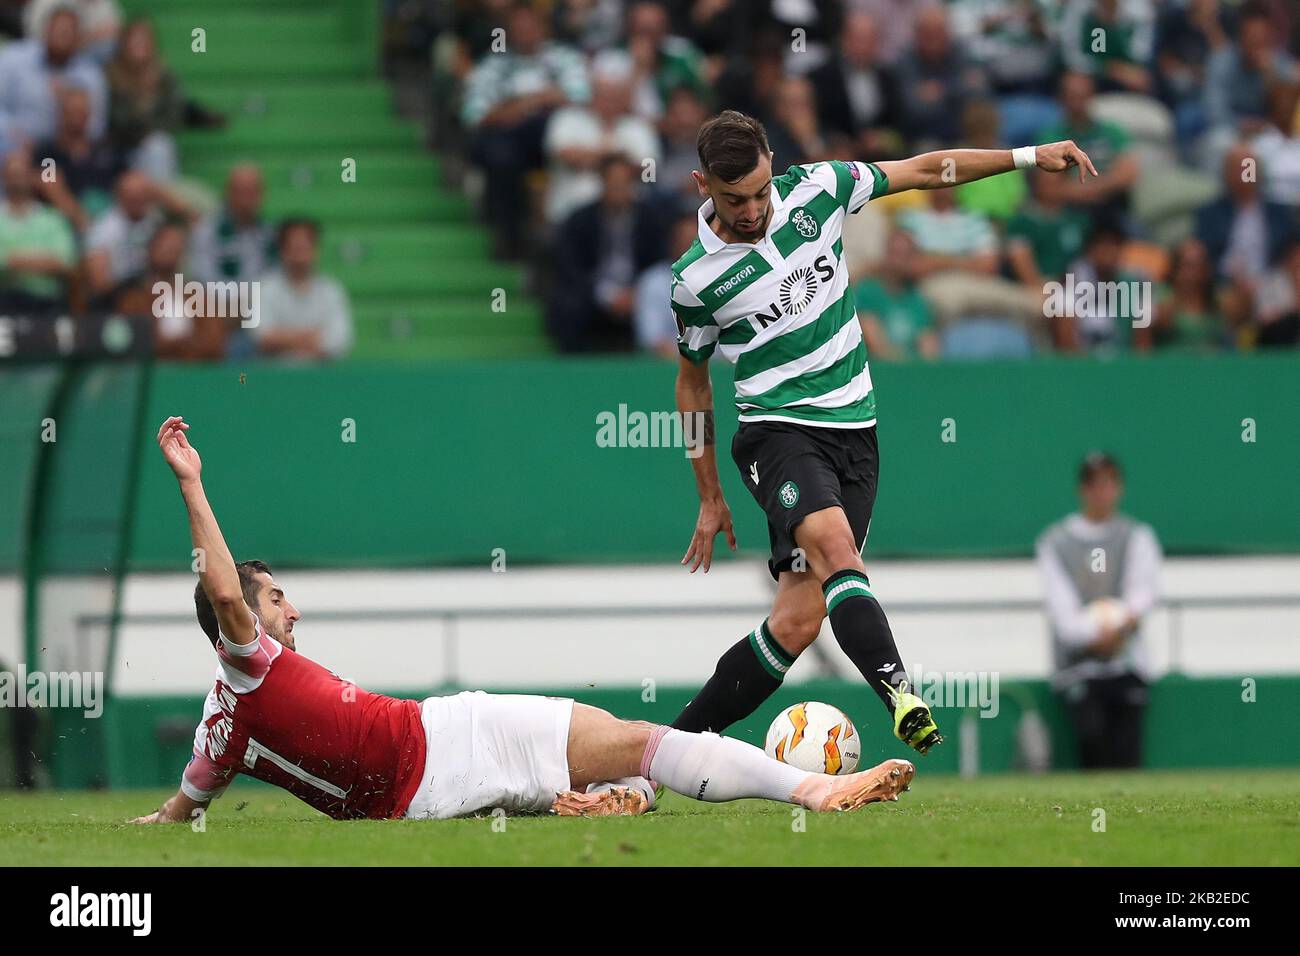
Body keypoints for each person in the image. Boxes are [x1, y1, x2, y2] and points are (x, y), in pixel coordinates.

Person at [132, 416, 916, 824]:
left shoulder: (219, 723)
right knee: (647, 742)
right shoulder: (249, 660)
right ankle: (811, 790)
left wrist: (150, 825)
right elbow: (227, 595)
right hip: (443, 739)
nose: (288, 607)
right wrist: (192, 486)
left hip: (423, 796)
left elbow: (185, 802)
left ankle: (626, 799)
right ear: (237, 619)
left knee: (622, 755)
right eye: (275, 600)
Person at [669, 109, 1096, 754]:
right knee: (839, 548)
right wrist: (709, 495)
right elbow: (693, 383)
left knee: (796, 622)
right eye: (735, 199)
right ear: (703, 184)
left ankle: (664, 749)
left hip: (855, 431)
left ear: (774, 168)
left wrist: (1028, 157)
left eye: (761, 191)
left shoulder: (820, 190)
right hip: (775, 432)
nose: (753, 209)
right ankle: (899, 692)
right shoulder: (695, 281)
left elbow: (927, 169)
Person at [1036, 452, 1162, 769]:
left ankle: (1129, 813)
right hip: (1078, 669)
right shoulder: (1055, 542)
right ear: (1083, 489)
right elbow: (1062, 609)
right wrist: (1092, 635)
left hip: (1127, 664)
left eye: (1109, 484)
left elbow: (1143, 593)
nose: (1102, 492)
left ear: (1118, 488)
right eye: (1095, 484)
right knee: (1092, 743)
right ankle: (1095, 815)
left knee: (1127, 751)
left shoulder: (1137, 536)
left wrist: (1119, 629)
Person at [250, 218, 354, 361]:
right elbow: (261, 337)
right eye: (293, 247)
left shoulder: (332, 291)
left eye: (304, 247)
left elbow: (338, 341)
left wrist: (282, 338)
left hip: (320, 376)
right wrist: (310, 337)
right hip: (273, 375)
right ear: (282, 250)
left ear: (316, 249)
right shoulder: (264, 288)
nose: (299, 255)